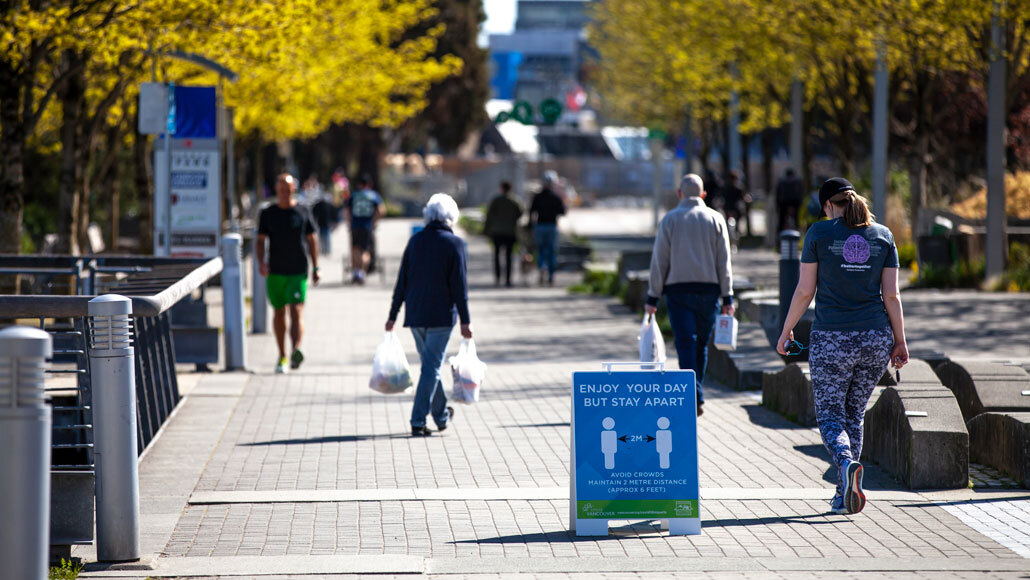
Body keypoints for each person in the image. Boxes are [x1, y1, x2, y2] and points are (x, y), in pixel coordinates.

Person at [776, 177, 909, 516]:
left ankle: (847, 464)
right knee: (854, 414)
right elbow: (892, 295)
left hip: (832, 338)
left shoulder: (819, 234)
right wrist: (900, 341)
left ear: (826, 205)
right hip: (876, 338)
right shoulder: (883, 235)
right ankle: (844, 494)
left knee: (832, 416)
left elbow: (805, 292)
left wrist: (787, 331)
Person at [644, 174, 734, 417]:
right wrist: (728, 297)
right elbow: (724, 261)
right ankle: (696, 393)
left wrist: (652, 297)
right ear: (703, 195)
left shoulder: (670, 220)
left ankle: (692, 395)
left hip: (678, 292)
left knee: (685, 343)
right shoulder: (716, 219)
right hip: (709, 292)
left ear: (679, 193)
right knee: (701, 346)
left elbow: (659, 262)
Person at [386, 193, 473, 437]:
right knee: (431, 369)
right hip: (441, 316)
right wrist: (466, 320)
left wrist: (393, 315)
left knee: (429, 366)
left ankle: (441, 415)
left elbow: (401, 281)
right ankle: (417, 419)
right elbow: (460, 287)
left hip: (415, 314)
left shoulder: (415, 241)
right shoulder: (455, 244)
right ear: (451, 217)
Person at [257, 173, 320, 374]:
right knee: (279, 312)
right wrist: (261, 263)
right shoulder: (268, 213)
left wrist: (316, 267)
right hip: (275, 270)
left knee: (296, 310)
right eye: (281, 187)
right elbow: (260, 241)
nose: (285, 191)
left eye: (289, 187)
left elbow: (312, 239)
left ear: (294, 189)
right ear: (276, 189)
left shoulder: (302, 210)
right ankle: (282, 355)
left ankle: (295, 350)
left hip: (298, 270)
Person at [483, 181, 523, 287]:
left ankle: (497, 278)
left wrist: (486, 231)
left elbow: (489, 215)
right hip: (510, 232)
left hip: (497, 232)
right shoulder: (515, 200)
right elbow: (520, 213)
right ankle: (508, 280)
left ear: (502, 188)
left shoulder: (496, 200)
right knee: (509, 256)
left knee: (496, 255)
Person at [529, 171, 566, 286]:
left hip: (540, 226)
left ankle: (541, 266)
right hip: (552, 226)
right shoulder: (556, 197)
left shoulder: (537, 196)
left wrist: (531, 225)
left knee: (540, 250)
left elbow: (531, 211)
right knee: (552, 251)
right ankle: (550, 275)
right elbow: (563, 212)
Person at [345, 175, 383, 284]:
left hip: (355, 225)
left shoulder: (353, 195)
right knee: (365, 250)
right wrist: (374, 222)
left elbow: (347, 211)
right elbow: (381, 211)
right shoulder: (373, 195)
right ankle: (362, 273)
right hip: (367, 226)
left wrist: (349, 223)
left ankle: (356, 272)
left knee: (355, 249)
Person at [775, 168, 804, 232]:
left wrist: (777, 206)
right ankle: (798, 231)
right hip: (796, 202)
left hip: (783, 202)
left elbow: (778, 194)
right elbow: (801, 193)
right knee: (797, 219)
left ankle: (779, 235)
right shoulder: (798, 181)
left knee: (781, 221)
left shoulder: (781, 181)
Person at [312, 190, 336, 256]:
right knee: (324, 237)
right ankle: (325, 250)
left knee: (325, 237)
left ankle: (326, 250)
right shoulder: (321, 205)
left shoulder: (326, 205)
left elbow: (332, 214)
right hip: (322, 223)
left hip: (324, 223)